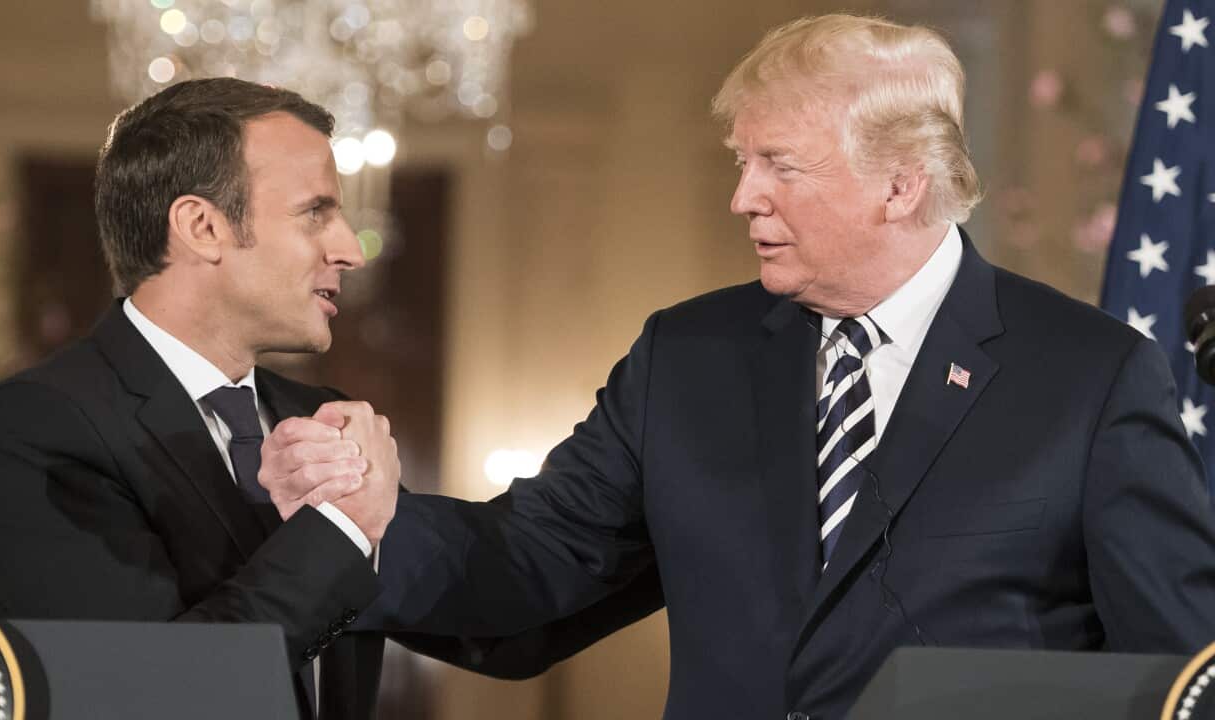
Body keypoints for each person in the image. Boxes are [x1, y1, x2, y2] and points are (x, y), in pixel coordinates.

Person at [356, 14, 1215, 720]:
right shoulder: (684, 360)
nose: (743, 197)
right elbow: (529, 560)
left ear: (901, 184)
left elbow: (1179, 675)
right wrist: (360, 526)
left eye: (781, 166)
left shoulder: (1091, 378)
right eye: (744, 161)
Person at [0, 78, 597, 720]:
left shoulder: (316, 414)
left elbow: (502, 627)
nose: (350, 250)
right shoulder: (38, 425)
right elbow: (141, 698)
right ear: (202, 226)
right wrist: (343, 530)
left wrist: (654, 474)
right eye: (315, 212)